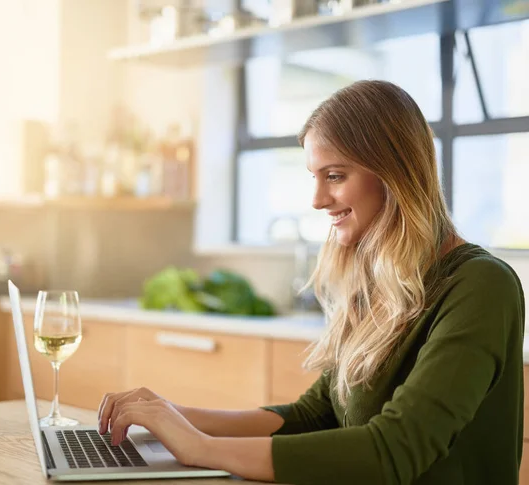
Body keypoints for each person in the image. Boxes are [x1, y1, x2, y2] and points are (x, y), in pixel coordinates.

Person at [97, 80, 525, 484]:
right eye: (314, 177)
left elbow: (394, 451)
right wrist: (174, 415)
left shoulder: (480, 286)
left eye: (335, 176)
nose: (318, 200)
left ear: (394, 173)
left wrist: (201, 448)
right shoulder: (380, 281)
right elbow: (314, 415)